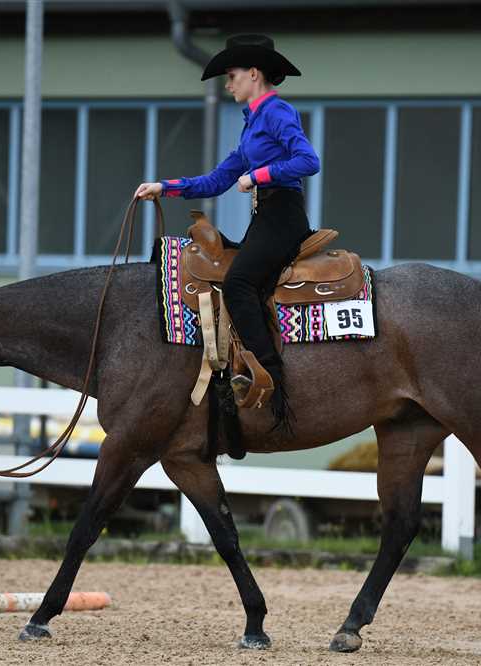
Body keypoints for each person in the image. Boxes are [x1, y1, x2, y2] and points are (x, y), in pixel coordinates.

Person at [135, 34, 320, 431]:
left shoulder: (277, 111)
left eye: (232, 75)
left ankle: (269, 376)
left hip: (282, 216)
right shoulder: (252, 125)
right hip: (265, 218)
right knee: (230, 276)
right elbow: (217, 180)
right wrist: (164, 188)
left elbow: (308, 160)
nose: (227, 84)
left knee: (237, 283)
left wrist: (258, 176)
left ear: (254, 73)